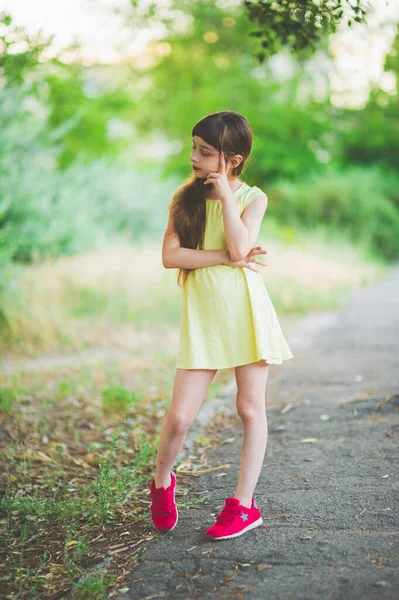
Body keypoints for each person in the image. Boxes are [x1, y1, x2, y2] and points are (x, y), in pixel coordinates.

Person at [149, 110, 293, 540]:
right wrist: (226, 259)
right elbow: (171, 257)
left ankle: (244, 506)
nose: (193, 156)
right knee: (178, 418)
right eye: (193, 147)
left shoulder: (253, 198)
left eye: (204, 151)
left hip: (247, 313)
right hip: (204, 319)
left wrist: (228, 200)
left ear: (230, 158)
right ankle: (161, 482)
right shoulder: (184, 199)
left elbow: (241, 244)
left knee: (250, 408)